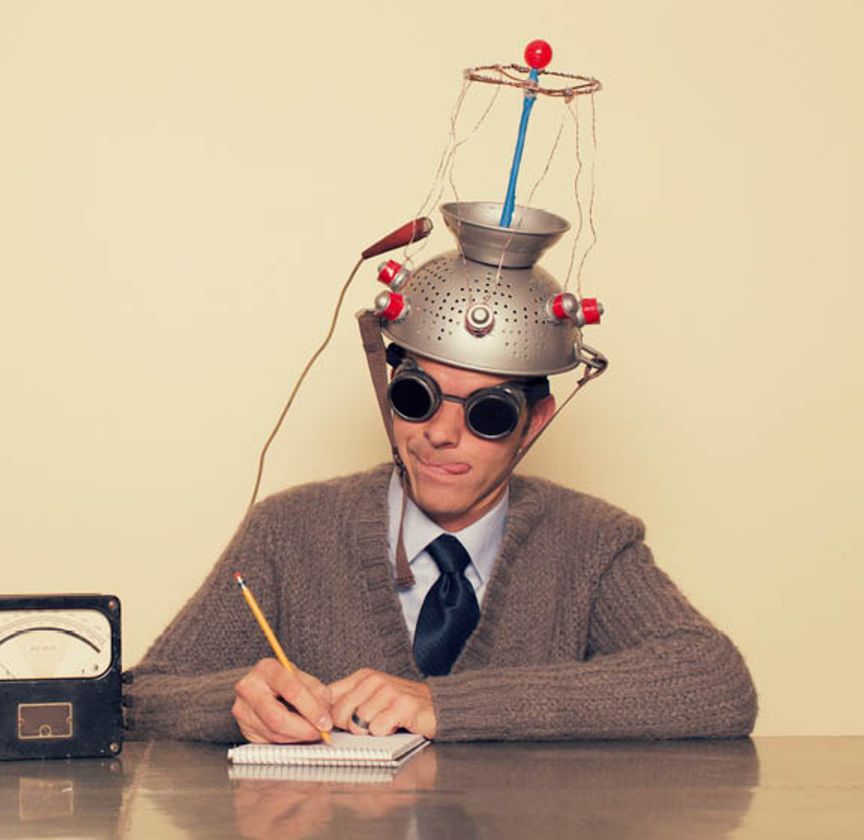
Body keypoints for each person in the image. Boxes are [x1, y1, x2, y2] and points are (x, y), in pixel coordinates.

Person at [125, 203, 757, 744]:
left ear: (535, 421)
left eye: (487, 413)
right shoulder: (289, 530)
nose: (440, 433)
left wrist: (446, 707)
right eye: (416, 397)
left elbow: (716, 684)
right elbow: (140, 699)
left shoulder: (590, 541)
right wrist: (234, 703)